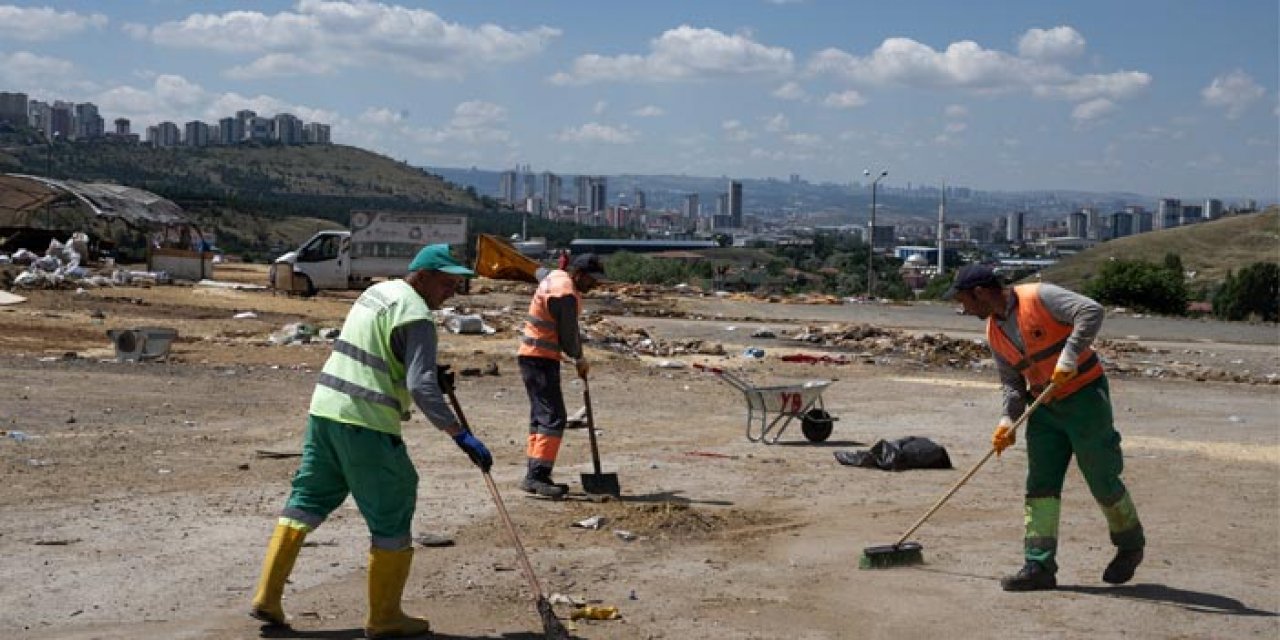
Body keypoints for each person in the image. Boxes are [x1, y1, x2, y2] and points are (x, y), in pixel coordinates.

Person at [249, 244, 493, 638]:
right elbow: (420, 386)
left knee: (307, 499)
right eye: (447, 283)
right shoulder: (417, 315)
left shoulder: (377, 294)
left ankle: (267, 595)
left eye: (457, 285)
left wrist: (426, 369)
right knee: (394, 504)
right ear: (423, 276)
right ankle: (385, 618)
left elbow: (380, 354)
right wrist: (459, 434)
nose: (452, 292)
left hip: (325, 412)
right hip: (366, 422)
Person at [945, 264, 1144, 592]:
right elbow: (1011, 383)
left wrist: (1070, 355)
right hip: (1044, 407)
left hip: (1084, 398)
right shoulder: (994, 333)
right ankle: (1038, 565)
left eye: (964, 300)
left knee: (1101, 475)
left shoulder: (1040, 296)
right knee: (1040, 485)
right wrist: (1007, 420)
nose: (963, 308)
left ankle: (1130, 545)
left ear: (980, 293)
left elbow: (1091, 311)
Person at [516, 252, 605, 498]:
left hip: (533, 356)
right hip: (540, 358)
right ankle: (538, 476)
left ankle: (534, 473)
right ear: (578, 274)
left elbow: (539, 272)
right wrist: (579, 357)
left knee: (540, 417)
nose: (594, 285)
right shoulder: (564, 293)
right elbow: (568, 334)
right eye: (591, 279)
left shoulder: (555, 277)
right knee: (553, 417)